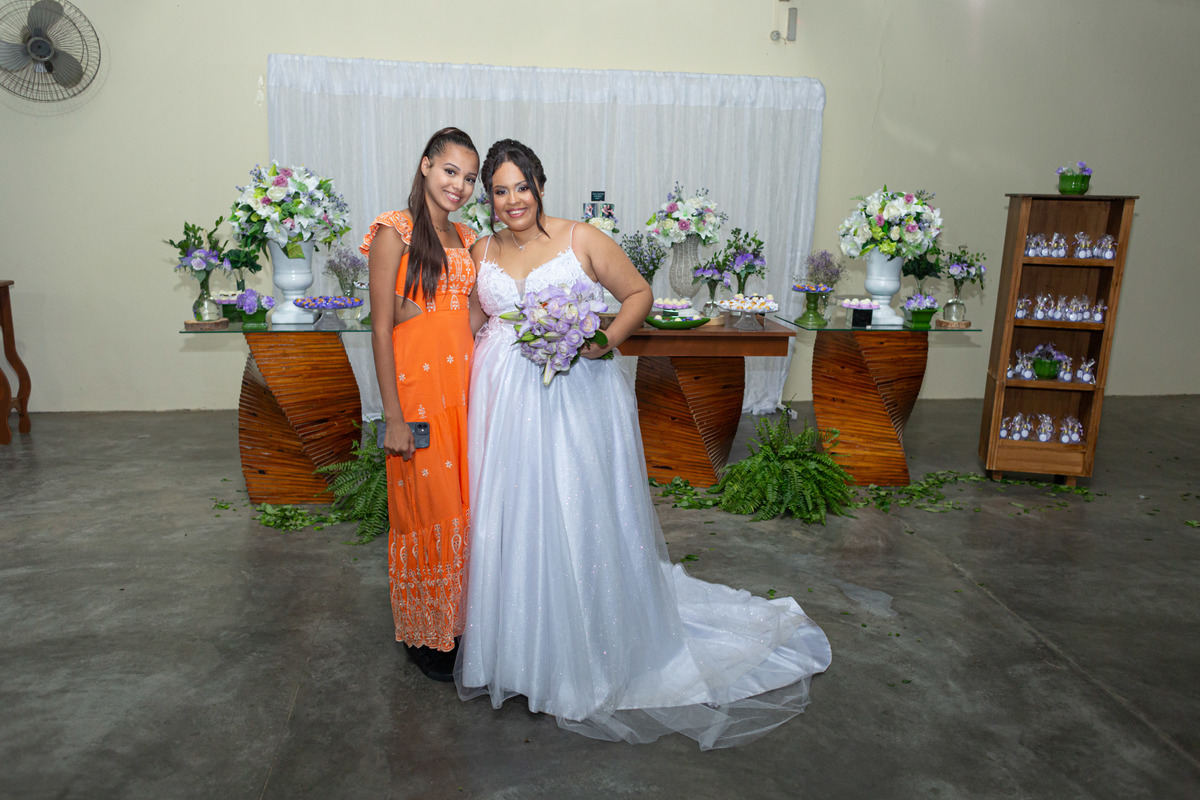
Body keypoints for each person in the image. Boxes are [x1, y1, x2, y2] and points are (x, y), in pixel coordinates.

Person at [457, 138, 832, 749]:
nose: (512, 200)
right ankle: (518, 649)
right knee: (514, 513)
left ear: (540, 185)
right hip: (503, 398)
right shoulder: (481, 249)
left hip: (573, 394)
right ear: (489, 198)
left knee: (573, 507)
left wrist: (603, 343)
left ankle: (584, 647)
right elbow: (474, 320)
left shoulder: (581, 239)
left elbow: (638, 295)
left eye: (521, 186)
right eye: (499, 191)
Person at [360, 126, 480, 681]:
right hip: (419, 396)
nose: (460, 185)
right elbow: (381, 329)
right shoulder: (396, 230)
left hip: (466, 392)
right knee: (426, 510)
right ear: (427, 165)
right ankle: (425, 632)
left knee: (464, 507)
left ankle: (459, 623)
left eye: (470, 178)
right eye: (451, 171)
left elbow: (471, 317)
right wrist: (394, 417)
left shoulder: (466, 236)